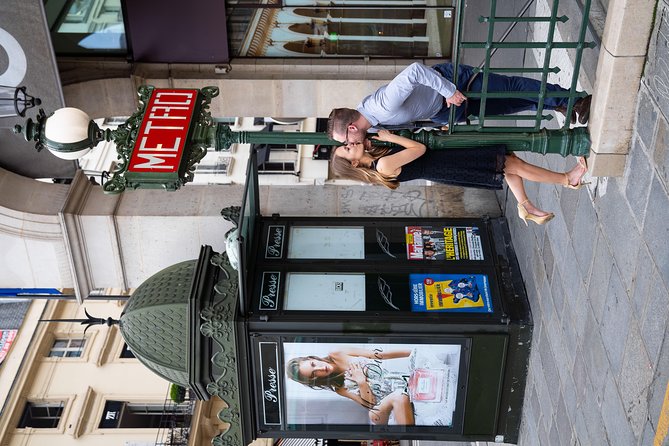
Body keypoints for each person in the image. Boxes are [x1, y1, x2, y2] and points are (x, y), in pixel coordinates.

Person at [330, 130, 588, 226]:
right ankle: (567, 179)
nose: (351, 143)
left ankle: (526, 206)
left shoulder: (378, 160)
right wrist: (391, 137)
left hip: (447, 164)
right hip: (448, 164)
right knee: (509, 163)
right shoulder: (383, 164)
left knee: (509, 163)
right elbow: (419, 150)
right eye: (348, 148)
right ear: (353, 162)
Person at [327, 62, 592, 146]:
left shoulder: (381, 105)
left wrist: (449, 90)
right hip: (445, 110)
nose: (351, 145)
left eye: (347, 141)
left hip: (454, 86)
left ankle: (572, 99)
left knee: (510, 88)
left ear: (351, 128)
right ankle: (556, 104)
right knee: (507, 105)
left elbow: (415, 71)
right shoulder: (371, 125)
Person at [285, 347, 415, 425]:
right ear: (315, 379)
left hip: (399, 381)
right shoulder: (339, 388)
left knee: (400, 395)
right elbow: (370, 405)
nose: (320, 368)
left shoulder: (337, 353)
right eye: (314, 373)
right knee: (390, 402)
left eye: (313, 364)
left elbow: (379, 354)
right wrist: (361, 382)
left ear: (312, 358)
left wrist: (414, 352)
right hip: (384, 406)